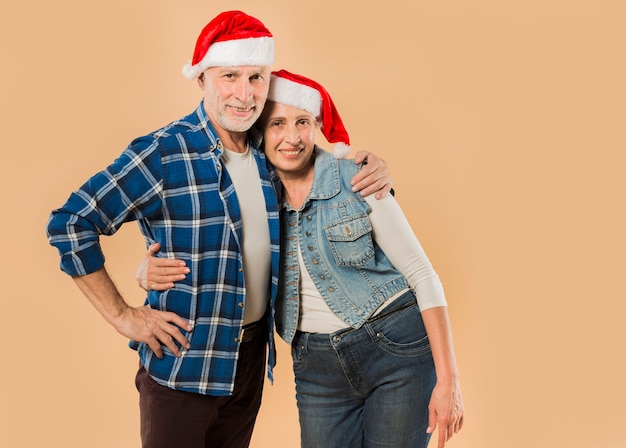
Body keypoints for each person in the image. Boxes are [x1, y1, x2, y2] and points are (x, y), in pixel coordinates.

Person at [46, 11, 392, 448]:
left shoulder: (272, 152)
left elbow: (331, 179)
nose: (244, 94)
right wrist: (123, 315)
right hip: (183, 366)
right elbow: (70, 222)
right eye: (230, 75)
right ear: (202, 79)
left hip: (246, 362)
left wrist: (374, 167)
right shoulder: (164, 152)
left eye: (256, 77)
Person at [139, 70, 464, 448]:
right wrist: (145, 271)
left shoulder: (356, 180)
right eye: (277, 123)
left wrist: (449, 381)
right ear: (259, 132)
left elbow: (423, 275)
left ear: (316, 126)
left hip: (394, 349)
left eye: (303, 122)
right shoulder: (255, 195)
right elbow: (216, 252)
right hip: (317, 367)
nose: (292, 138)